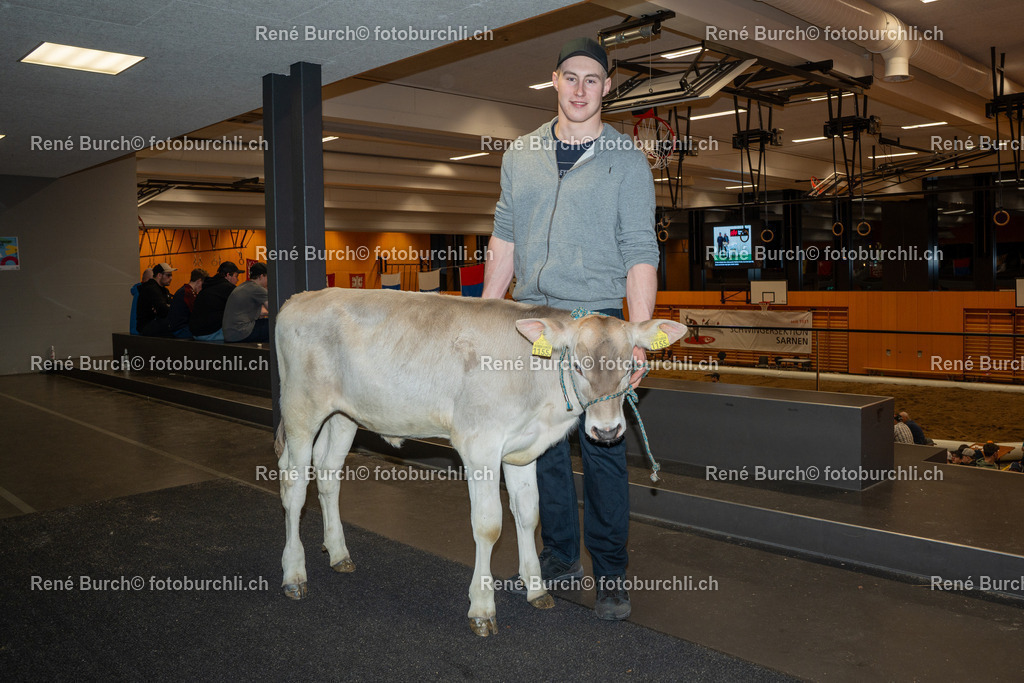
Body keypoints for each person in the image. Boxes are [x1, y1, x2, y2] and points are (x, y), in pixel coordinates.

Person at [481, 37, 659, 621]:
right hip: (537, 320)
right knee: (542, 448)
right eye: (570, 77)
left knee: (603, 449)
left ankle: (610, 571)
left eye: (592, 79)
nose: (581, 89)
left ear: (607, 87)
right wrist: (487, 312)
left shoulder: (627, 160)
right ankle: (559, 557)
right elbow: (504, 234)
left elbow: (639, 250)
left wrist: (637, 336)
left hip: (600, 324)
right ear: (553, 80)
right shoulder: (520, 153)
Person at [189, 261, 241, 341]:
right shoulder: (228, 288)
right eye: (236, 276)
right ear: (228, 275)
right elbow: (243, 306)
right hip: (210, 334)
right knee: (244, 333)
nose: (237, 280)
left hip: (196, 333)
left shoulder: (208, 286)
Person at [223, 262, 269, 343]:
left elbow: (261, 312)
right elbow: (274, 309)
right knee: (275, 325)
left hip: (229, 334)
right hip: (241, 332)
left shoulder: (243, 286)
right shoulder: (257, 289)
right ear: (261, 276)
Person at [136, 263, 176, 336]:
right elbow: (163, 310)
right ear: (159, 275)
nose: (171, 278)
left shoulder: (164, 290)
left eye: (171, 275)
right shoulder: (150, 288)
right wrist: (165, 307)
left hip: (155, 324)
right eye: (168, 275)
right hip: (146, 326)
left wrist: (166, 306)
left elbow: (170, 307)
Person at [166, 268, 207, 339]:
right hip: (180, 330)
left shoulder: (184, 290)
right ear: (199, 281)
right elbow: (195, 313)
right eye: (203, 285)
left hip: (177, 327)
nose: (202, 288)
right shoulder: (188, 292)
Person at [129, 267, 154, 335]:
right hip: (140, 331)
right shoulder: (143, 292)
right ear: (149, 279)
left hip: (135, 329)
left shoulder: (138, 290)